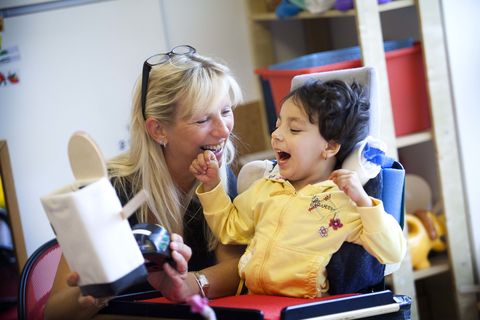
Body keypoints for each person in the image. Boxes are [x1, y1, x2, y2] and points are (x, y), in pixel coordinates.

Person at [45, 45, 245, 319]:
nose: (223, 131)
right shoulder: (109, 189)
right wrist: (97, 290)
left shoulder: (220, 176)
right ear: (158, 129)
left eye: (225, 111)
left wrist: (189, 284)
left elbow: (238, 267)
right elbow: (53, 313)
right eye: (202, 119)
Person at [190, 79, 407, 298]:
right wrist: (212, 186)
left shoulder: (342, 201)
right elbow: (230, 230)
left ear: (330, 146)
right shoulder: (266, 189)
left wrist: (364, 202)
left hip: (306, 308)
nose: (276, 135)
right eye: (278, 125)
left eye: (294, 129)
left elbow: (393, 252)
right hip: (254, 301)